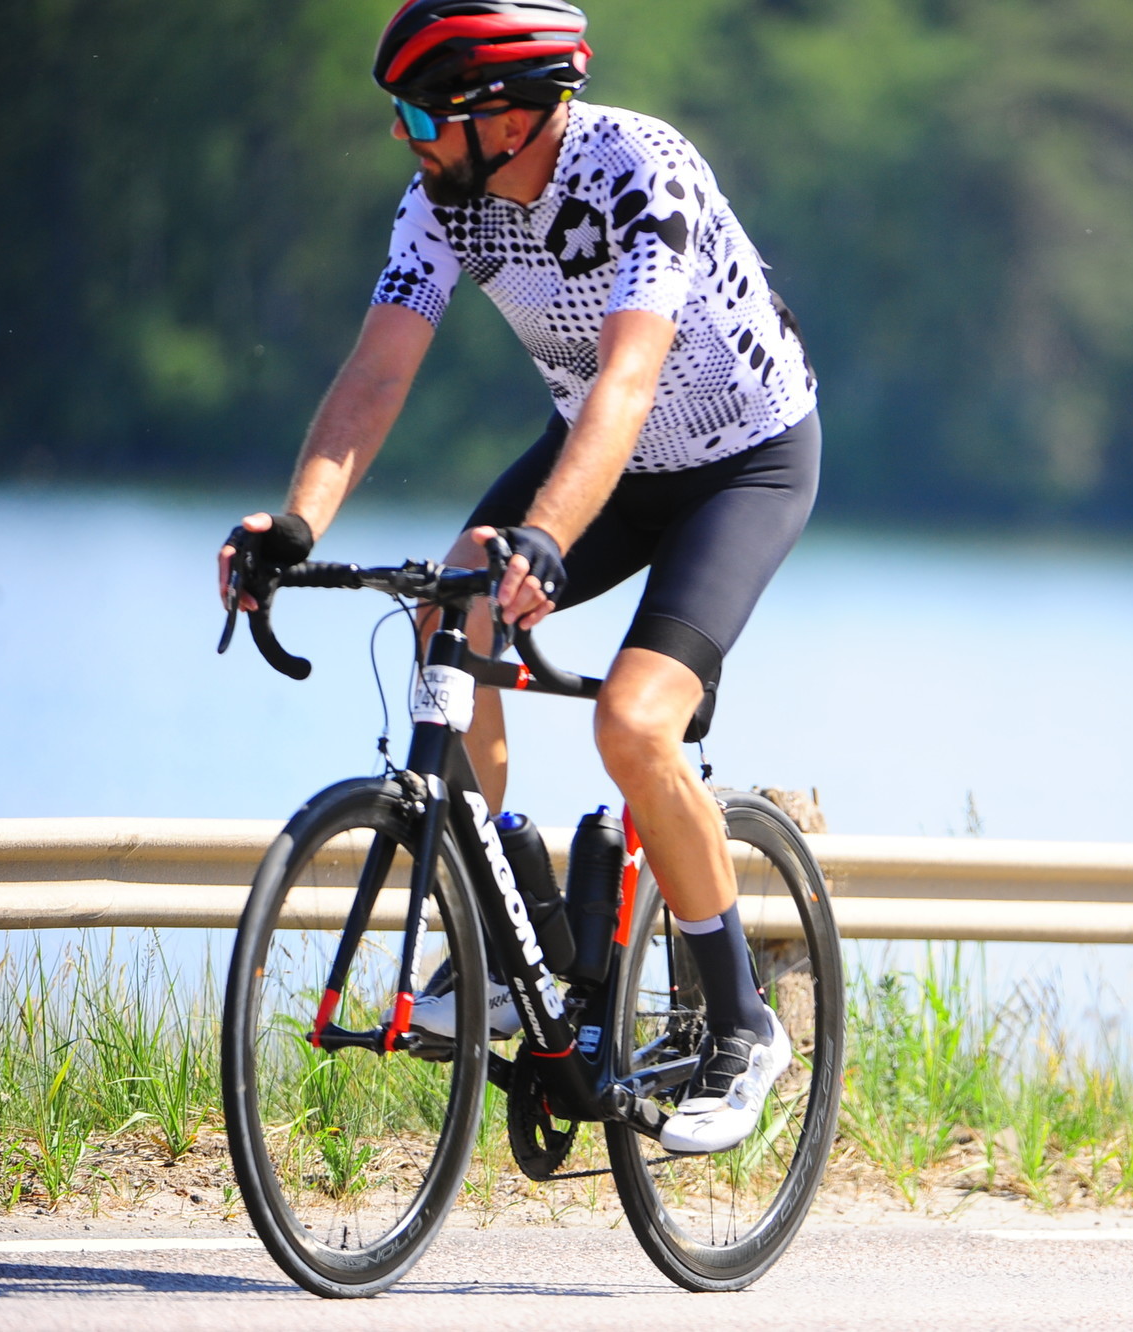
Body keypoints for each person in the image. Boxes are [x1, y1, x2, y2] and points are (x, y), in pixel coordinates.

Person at [216, 0, 817, 1155]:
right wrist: (295, 522)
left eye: (418, 116)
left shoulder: (641, 171)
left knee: (632, 726)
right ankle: (508, 946)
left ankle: (743, 1023)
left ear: (500, 117)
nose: (403, 137)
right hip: (599, 453)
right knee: (451, 613)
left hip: (739, 465)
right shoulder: (442, 201)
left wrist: (544, 535)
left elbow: (627, 381)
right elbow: (376, 374)